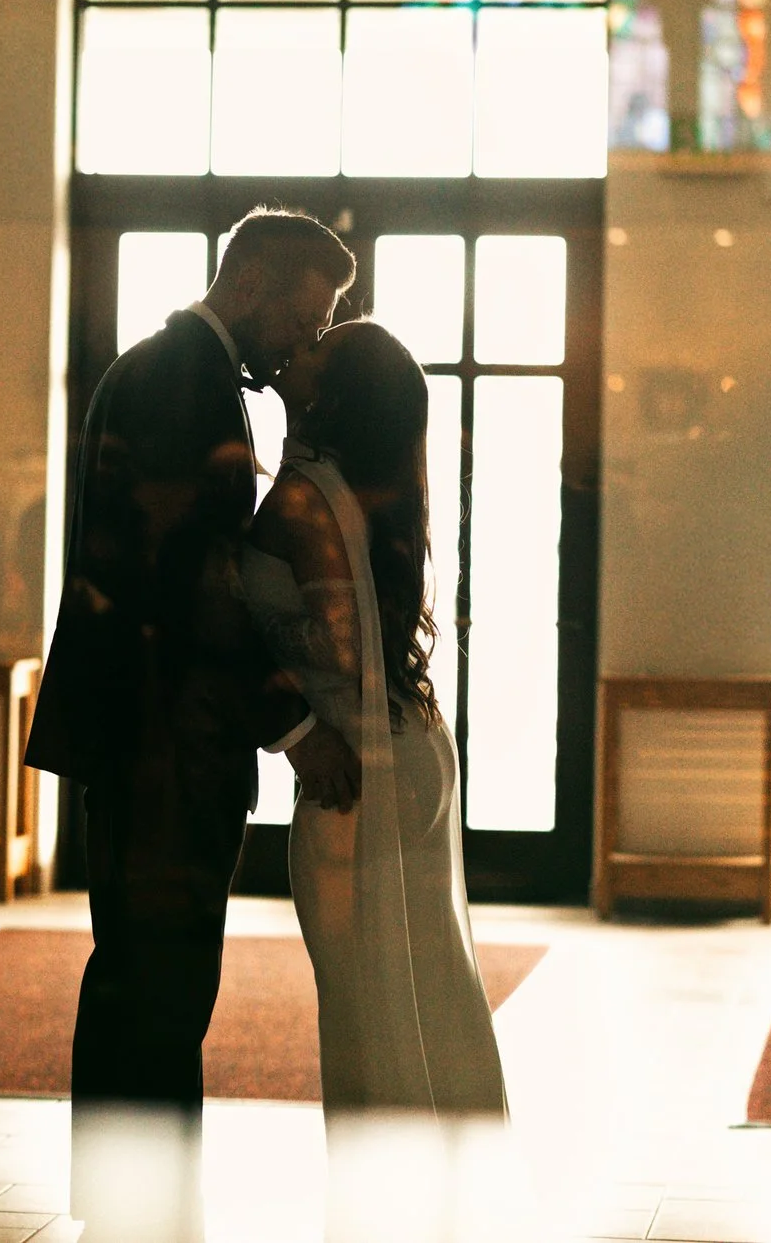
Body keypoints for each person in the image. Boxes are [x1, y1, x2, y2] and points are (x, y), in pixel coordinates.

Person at [28, 206, 365, 1242]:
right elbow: (195, 582)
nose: (298, 345)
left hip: (147, 727)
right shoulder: (188, 380)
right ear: (253, 276)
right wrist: (293, 722)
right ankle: (144, 1207)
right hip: (168, 730)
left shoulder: (169, 368)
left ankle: (132, 1199)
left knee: (139, 967)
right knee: (161, 975)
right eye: (301, 318)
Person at [240, 321, 509, 1228]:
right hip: (415, 746)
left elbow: (236, 625)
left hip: (358, 764)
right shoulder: (367, 487)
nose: (297, 347)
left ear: (335, 392)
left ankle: (385, 1207)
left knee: (369, 997)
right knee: (428, 980)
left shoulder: (302, 500)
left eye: (316, 349)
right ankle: (450, 1188)